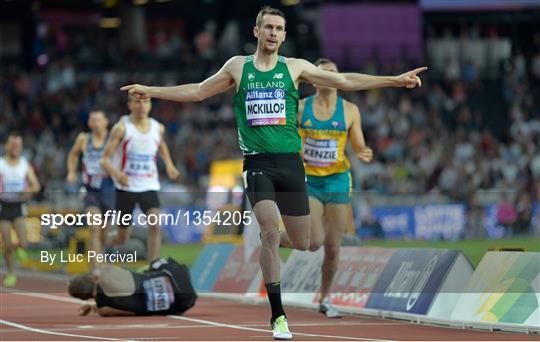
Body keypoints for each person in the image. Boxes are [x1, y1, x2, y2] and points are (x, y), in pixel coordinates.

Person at [120, 6, 425, 339]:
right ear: (257, 31)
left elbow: (343, 80)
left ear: (284, 35)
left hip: (291, 164)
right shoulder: (238, 67)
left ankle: (271, 244)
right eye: (268, 27)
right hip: (257, 163)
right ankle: (278, 316)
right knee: (267, 230)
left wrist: (393, 80)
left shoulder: (294, 69)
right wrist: (152, 90)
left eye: (279, 29)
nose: (274, 33)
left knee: (304, 242)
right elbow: (197, 90)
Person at [279, 58, 373, 318]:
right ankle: (276, 237)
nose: (329, 77)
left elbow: (357, 144)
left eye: (333, 73)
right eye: (323, 73)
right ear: (314, 79)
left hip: (338, 180)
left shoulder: (350, 110)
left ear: (338, 78)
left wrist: (362, 151)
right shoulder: (299, 108)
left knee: (333, 246)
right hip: (309, 180)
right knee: (314, 241)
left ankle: (324, 298)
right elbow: (286, 138)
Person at [100, 95, 179, 262]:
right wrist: (117, 174)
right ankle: (104, 244)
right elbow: (104, 160)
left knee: (155, 224)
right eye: (137, 102)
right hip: (126, 187)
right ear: (130, 105)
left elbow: (161, 145)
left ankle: (154, 267)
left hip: (148, 185)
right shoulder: (121, 128)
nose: (142, 106)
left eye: (145, 102)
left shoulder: (158, 128)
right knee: (123, 237)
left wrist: (170, 164)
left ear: (150, 104)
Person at [67, 110, 114, 270]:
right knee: (94, 225)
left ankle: (98, 258)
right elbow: (73, 155)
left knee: (103, 233)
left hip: (110, 188)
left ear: (106, 122)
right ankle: (97, 269)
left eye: (98, 120)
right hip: (90, 189)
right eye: (92, 120)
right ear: (88, 123)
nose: (95, 123)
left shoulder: (114, 138)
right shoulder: (83, 138)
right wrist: (72, 171)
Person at [68, 258, 196, 316]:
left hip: (182, 303)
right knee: (155, 263)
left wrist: (94, 307)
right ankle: (151, 273)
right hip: (178, 277)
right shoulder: (106, 272)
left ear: (84, 299)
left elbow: (128, 308)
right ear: (92, 278)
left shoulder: (104, 311)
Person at [0, 132, 41, 287]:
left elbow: (36, 185)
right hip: (3, 205)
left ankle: (20, 249)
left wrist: (28, 191)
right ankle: (11, 273)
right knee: (6, 242)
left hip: (18, 206)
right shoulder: (1, 163)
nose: (16, 147)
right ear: (6, 146)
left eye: (18, 144)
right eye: (13, 144)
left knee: (24, 242)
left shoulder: (24, 164)